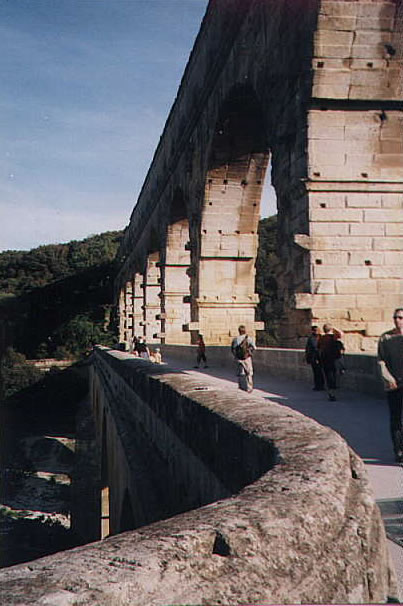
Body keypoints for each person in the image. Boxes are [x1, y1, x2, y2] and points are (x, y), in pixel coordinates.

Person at [377, 308, 403, 463]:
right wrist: (388, 378)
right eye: (395, 317)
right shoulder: (385, 338)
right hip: (394, 384)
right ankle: (398, 450)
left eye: (400, 317)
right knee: (396, 419)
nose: (397, 320)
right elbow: (381, 361)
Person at [318, 323, 343, 401]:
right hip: (334, 360)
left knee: (328, 377)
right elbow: (341, 334)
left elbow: (319, 349)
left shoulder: (321, 339)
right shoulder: (333, 337)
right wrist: (334, 328)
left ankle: (330, 393)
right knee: (334, 376)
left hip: (325, 360)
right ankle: (333, 393)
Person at [231, 325, 256, 393]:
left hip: (238, 358)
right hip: (246, 358)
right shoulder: (249, 338)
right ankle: (249, 388)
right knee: (249, 373)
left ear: (239, 331)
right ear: (245, 331)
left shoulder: (235, 339)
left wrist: (236, 356)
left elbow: (233, 349)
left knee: (241, 373)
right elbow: (254, 347)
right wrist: (250, 352)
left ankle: (241, 387)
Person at [305, 325, 324, 391]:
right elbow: (309, 348)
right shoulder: (312, 338)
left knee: (320, 372)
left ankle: (320, 385)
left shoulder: (320, 337)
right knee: (316, 373)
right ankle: (318, 386)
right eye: (315, 330)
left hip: (320, 357)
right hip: (314, 358)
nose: (317, 332)